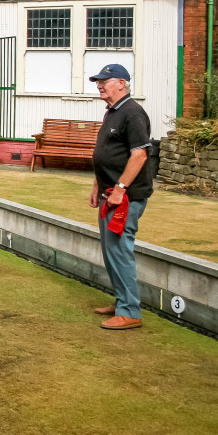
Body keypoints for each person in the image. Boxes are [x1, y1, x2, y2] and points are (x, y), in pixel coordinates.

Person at [88, 63, 153, 330]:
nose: (100, 85)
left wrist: (120, 188)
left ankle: (130, 312)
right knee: (110, 251)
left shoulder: (133, 112)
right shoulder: (112, 112)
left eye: (105, 80)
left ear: (122, 84)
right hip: (108, 192)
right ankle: (122, 300)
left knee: (120, 251)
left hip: (124, 196)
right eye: (98, 81)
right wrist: (97, 185)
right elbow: (107, 152)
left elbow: (139, 154)